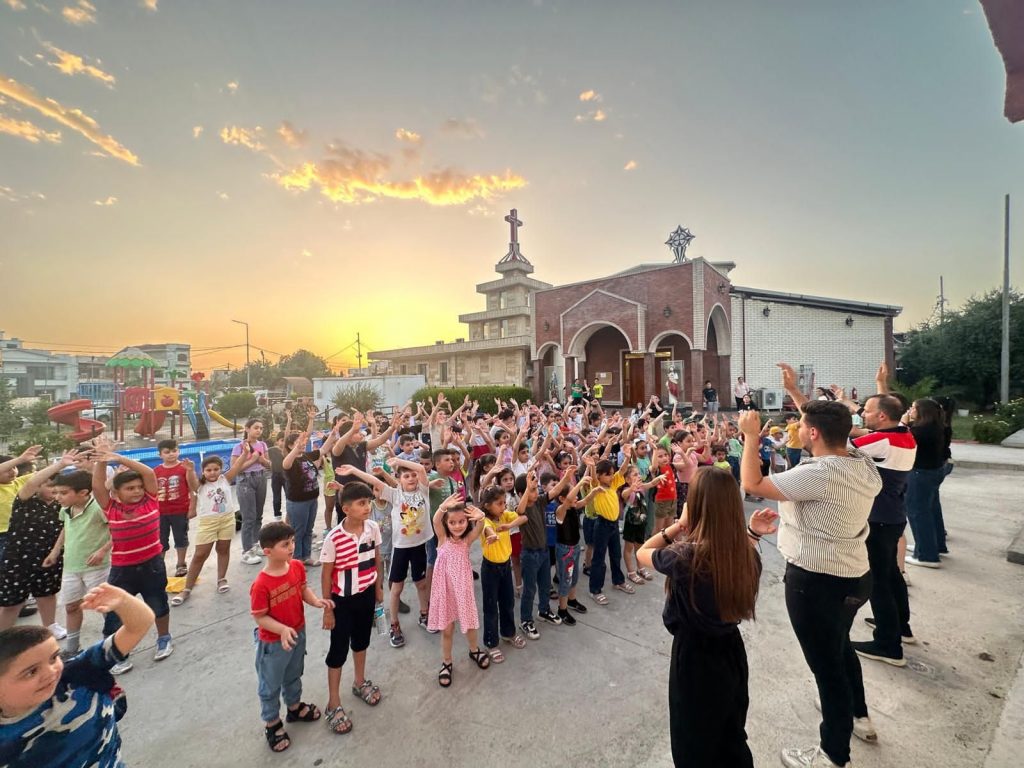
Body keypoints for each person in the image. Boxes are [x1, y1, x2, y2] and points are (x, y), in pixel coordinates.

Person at [740, 364, 882, 768]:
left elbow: (753, 485)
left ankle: (832, 754)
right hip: (856, 575)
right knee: (840, 649)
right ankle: (860, 716)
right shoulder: (860, 463)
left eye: (801, 424)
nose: (797, 428)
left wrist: (751, 437)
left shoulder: (817, 475)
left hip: (817, 582)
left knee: (827, 671)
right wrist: (798, 393)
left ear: (814, 434)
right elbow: (828, 424)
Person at [637, 468, 777, 768]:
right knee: (730, 735)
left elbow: (643, 553)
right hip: (731, 653)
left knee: (694, 745)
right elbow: (729, 559)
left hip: (695, 659)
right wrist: (750, 534)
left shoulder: (685, 557)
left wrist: (677, 525)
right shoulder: (746, 554)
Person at [0, 582, 154, 767]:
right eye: (31, 671)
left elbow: (138, 626)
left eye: (54, 657)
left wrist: (123, 601)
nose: (51, 671)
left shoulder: (79, 673)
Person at [90, 437, 174, 671]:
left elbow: (148, 473)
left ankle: (164, 638)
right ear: (116, 493)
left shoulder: (151, 501)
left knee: (158, 604)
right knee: (115, 613)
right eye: (130, 488)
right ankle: (118, 652)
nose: (137, 491)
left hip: (152, 564)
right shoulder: (112, 508)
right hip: (123, 569)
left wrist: (117, 457)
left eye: (138, 487)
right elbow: (97, 487)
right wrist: (102, 460)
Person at [251, 520, 332, 752]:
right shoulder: (261, 584)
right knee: (270, 683)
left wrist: (315, 601)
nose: (292, 547)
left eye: (293, 542)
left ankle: (294, 707)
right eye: (285, 544)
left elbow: (303, 588)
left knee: (294, 673)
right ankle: (272, 722)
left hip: (298, 632)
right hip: (273, 643)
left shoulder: (296, 566)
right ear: (268, 551)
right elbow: (260, 616)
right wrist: (282, 629)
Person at [333, 458, 431, 648]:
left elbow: (419, 468)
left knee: (421, 584)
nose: (411, 478)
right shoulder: (395, 495)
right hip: (401, 549)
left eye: (413, 475)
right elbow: (375, 481)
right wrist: (354, 468)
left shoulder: (423, 491)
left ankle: (425, 614)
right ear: (398, 479)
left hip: (419, 545)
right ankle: (394, 625)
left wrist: (400, 460)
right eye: (406, 475)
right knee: (396, 588)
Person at [849, 394, 917, 667]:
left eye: (866, 411)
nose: (862, 414)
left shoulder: (882, 440)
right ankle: (901, 625)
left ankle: (888, 644)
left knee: (878, 583)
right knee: (891, 574)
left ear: (881, 416)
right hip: (894, 517)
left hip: (878, 519)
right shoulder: (905, 434)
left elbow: (836, 444)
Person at [320, 483, 385, 733]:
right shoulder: (333, 538)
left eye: (368, 502)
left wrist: (378, 588)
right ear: (345, 508)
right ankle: (333, 702)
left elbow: (377, 558)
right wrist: (328, 608)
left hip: (366, 595)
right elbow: (326, 575)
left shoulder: (373, 528)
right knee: (338, 650)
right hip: (341, 601)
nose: (367, 507)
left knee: (361, 641)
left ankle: (359, 681)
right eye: (361, 503)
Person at [0, 451, 79, 635]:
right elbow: (31, 482)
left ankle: (50, 625)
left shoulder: (62, 506)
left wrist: (56, 551)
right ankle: (4, 636)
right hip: (18, 558)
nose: (54, 491)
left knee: (47, 593)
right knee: (13, 601)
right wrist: (60, 465)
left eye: (59, 489)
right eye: (50, 486)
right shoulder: (25, 501)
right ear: (38, 487)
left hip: (48, 557)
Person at [172, 452, 259, 605]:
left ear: (221, 469)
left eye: (216, 469)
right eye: (208, 470)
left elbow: (238, 465)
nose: (212, 472)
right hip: (208, 523)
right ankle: (186, 589)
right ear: (203, 471)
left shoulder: (225, 479)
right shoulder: (200, 485)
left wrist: (245, 452)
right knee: (200, 555)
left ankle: (221, 579)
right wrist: (190, 470)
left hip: (227, 520)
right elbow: (192, 484)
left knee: (223, 549)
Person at [46, 469, 111, 657]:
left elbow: (117, 529)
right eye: (56, 492)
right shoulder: (66, 509)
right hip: (71, 567)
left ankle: (115, 644)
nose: (57, 497)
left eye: (63, 493)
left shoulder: (98, 508)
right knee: (71, 606)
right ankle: (72, 648)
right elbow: (66, 529)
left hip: (96, 567)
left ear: (83, 492)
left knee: (104, 606)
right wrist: (56, 550)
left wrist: (102, 550)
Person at [428, 494, 490, 686]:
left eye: (462, 521)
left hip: (462, 589)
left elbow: (480, 525)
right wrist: (442, 508)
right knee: (447, 629)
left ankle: (474, 650)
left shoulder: (467, 541)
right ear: (447, 524)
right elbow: (436, 520)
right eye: (452, 522)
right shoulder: (442, 538)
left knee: (469, 624)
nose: (457, 525)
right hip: (444, 589)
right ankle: (447, 662)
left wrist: (480, 515)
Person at [477, 486, 527, 661]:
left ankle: (508, 633)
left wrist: (509, 525)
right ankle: (491, 643)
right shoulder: (484, 520)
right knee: (491, 607)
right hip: (490, 569)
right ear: (487, 505)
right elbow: (487, 529)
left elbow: (523, 517)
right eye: (499, 503)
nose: (504, 506)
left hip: (505, 566)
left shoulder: (504, 516)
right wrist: (492, 535)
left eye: (504, 502)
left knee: (508, 602)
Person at [283, 425, 337, 567]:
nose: (302, 444)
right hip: (298, 502)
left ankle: (306, 556)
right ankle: (296, 560)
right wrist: (296, 449)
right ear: (290, 446)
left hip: (312, 499)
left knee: (308, 529)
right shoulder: (290, 460)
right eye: (297, 442)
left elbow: (324, 450)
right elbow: (285, 464)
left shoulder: (306, 456)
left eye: (303, 442)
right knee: (298, 531)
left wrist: (332, 434)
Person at [903, 399, 948, 568]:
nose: (910, 410)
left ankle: (927, 555)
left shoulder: (920, 431)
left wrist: (903, 423)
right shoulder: (935, 427)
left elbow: (902, 438)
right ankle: (934, 545)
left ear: (923, 411)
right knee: (931, 510)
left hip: (921, 472)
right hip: (933, 471)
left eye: (913, 408)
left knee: (917, 512)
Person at [154, 439, 197, 578]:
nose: (171, 454)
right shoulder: (156, 471)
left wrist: (192, 507)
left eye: (174, 451)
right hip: (160, 512)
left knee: (181, 538)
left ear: (178, 451)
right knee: (161, 540)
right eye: (167, 452)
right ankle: (160, 566)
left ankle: (181, 564)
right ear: (160, 454)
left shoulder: (185, 468)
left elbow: (193, 488)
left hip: (180, 511)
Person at [233, 419, 272, 565]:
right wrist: (253, 459)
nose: (259, 431)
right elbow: (235, 468)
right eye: (256, 428)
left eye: (261, 428)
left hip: (260, 478)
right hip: (245, 481)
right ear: (247, 429)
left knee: (258, 515)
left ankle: (255, 543)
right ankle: (247, 550)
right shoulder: (239, 446)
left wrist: (261, 460)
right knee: (248, 517)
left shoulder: (262, 445)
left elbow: (269, 464)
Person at [0, 446, 42, 564]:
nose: (12, 471)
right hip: (2, 535)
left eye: (14, 468)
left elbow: (44, 473)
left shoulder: (20, 482)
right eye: (7, 469)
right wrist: (20, 459)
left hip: (22, 533)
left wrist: (64, 463)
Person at [268, 431, 287, 520]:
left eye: (285, 441)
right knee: (277, 496)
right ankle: (277, 516)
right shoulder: (271, 450)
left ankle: (290, 513)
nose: (283, 443)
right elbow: (267, 460)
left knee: (289, 495)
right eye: (282, 440)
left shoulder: (288, 451)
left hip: (286, 476)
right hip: (276, 476)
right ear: (277, 441)